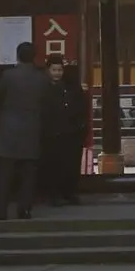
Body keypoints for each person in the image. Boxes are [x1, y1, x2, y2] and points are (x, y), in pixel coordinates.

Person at [0, 40, 49, 221]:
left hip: (9, 128)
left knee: (4, 172)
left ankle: (0, 211)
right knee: (28, 174)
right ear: (34, 57)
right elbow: (47, 102)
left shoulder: (8, 75)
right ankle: (24, 210)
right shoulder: (42, 78)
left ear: (17, 56)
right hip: (32, 127)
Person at [38, 57, 86, 206]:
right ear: (48, 70)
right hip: (50, 133)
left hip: (69, 132)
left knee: (70, 165)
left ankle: (69, 193)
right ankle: (53, 194)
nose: (57, 73)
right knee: (52, 165)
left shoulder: (70, 87)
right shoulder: (43, 87)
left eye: (59, 70)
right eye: (54, 70)